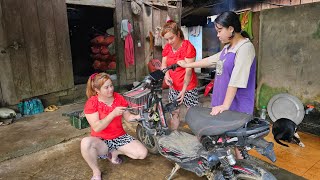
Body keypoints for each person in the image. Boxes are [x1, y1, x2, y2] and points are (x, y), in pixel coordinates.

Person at [177, 11, 256, 159]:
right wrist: (188, 64)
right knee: (222, 141)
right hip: (221, 103)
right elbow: (211, 60)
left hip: (236, 106)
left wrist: (225, 105)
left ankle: (243, 170)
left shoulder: (245, 48)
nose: (218, 35)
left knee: (238, 144)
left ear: (231, 29)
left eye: (220, 31)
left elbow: (236, 79)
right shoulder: (228, 48)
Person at [81, 73, 148, 180]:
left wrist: (142, 116)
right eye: (106, 87)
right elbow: (97, 127)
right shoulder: (92, 103)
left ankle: (114, 152)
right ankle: (96, 172)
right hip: (101, 140)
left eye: (111, 85)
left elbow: (128, 117)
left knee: (142, 153)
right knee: (85, 143)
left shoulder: (119, 98)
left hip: (119, 137)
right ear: (97, 90)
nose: (111, 89)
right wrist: (112, 114)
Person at [161, 20, 199, 130]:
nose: (169, 41)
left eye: (171, 38)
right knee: (174, 113)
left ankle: (199, 140)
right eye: (167, 39)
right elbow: (164, 65)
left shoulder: (188, 47)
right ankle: (174, 136)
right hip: (174, 86)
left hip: (188, 87)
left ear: (178, 34)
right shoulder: (168, 48)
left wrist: (183, 90)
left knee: (192, 115)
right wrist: (166, 75)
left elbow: (189, 71)